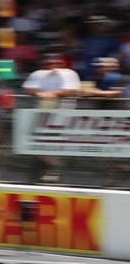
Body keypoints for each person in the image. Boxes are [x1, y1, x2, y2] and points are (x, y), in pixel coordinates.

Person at [21, 50, 81, 184]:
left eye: (55, 62)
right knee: (39, 144)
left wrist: (51, 93)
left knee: (53, 144)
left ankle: (55, 169)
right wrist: (42, 93)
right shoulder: (37, 74)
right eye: (48, 63)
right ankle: (48, 169)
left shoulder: (69, 73)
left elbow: (73, 90)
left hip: (63, 114)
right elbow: (27, 88)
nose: (52, 65)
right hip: (41, 114)